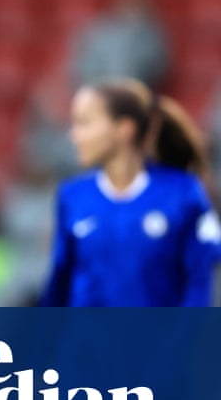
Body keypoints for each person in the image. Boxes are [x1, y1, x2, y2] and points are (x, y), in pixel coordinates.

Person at [40, 78, 221, 307]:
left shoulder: (182, 193)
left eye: (84, 123)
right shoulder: (73, 197)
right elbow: (59, 283)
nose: (74, 135)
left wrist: (185, 339)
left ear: (124, 129)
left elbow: (200, 278)